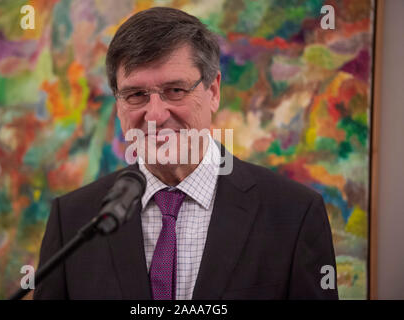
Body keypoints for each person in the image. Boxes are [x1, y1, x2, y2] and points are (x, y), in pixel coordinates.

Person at [34, 7, 338, 300]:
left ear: (214, 92)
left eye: (175, 90)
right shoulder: (72, 221)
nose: (154, 114)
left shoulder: (293, 214)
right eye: (136, 94)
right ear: (118, 104)